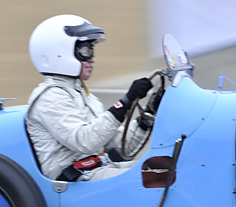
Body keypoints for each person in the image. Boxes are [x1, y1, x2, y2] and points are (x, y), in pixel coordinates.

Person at [26, 14, 153, 181]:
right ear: (60, 53)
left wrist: (148, 116)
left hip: (95, 170)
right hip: (74, 182)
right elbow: (85, 141)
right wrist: (126, 102)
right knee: (156, 179)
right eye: (86, 51)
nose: (92, 59)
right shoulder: (49, 97)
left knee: (167, 169)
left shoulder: (84, 96)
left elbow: (119, 146)